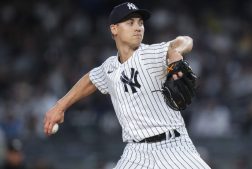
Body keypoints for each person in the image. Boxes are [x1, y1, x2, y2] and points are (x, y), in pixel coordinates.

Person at [44, 2, 211, 169]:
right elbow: (90, 80)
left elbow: (185, 40)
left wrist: (176, 52)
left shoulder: (149, 54)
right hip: (136, 152)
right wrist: (60, 106)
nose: (138, 28)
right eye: (130, 23)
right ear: (114, 29)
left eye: (140, 23)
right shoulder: (109, 67)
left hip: (174, 146)